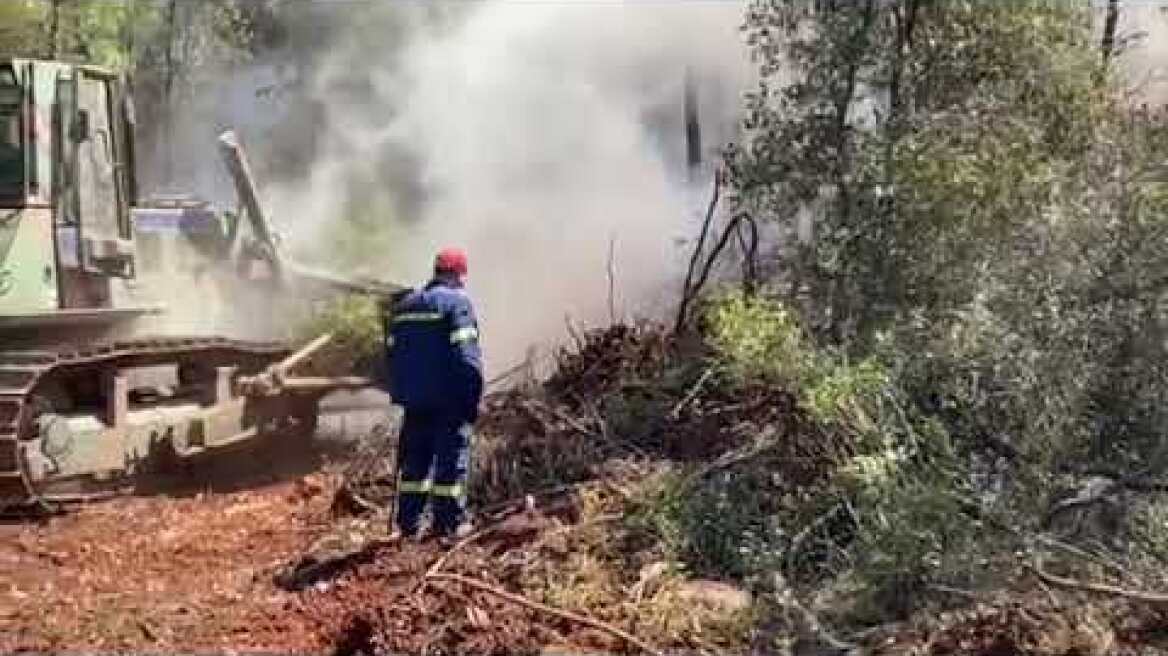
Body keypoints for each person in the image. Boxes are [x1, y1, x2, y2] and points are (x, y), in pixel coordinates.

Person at [386, 247, 483, 543]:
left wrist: (403, 393)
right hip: (449, 402)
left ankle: (408, 525)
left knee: (415, 466)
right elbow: (466, 357)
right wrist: (472, 397)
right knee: (450, 465)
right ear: (458, 275)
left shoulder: (404, 307)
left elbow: (391, 356)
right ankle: (449, 525)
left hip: (415, 403)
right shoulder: (457, 304)